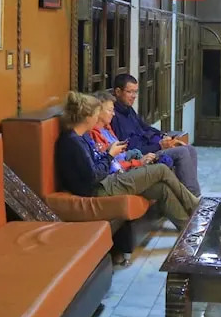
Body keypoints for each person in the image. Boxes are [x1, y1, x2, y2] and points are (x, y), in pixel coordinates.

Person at [56, 91, 198, 230]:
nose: (97, 118)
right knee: (161, 170)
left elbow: (96, 162)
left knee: (162, 189)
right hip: (100, 188)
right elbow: (93, 176)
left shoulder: (82, 136)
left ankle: (189, 227)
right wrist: (110, 155)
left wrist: (108, 153)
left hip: (109, 179)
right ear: (87, 117)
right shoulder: (72, 142)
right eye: (95, 114)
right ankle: (196, 205)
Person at [110, 73, 202, 196]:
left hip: (152, 146)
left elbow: (145, 127)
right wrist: (159, 146)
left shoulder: (128, 109)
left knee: (190, 149)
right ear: (118, 92)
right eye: (130, 92)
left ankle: (188, 194)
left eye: (135, 92)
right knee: (182, 152)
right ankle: (193, 196)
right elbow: (131, 148)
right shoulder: (115, 117)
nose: (134, 96)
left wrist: (163, 136)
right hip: (143, 155)